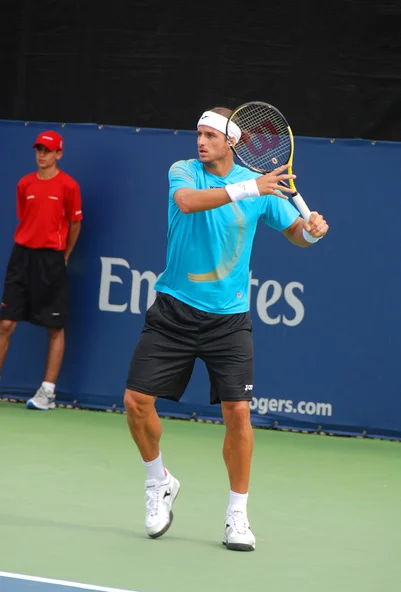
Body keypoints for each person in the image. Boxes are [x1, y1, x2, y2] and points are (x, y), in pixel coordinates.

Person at [123, 107, 329, 551]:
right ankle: (158, 481)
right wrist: (248, 187)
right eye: (198, 134)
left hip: (229, 321)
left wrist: (311, 232)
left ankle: (237, 513)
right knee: (135, 403)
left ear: (231, 141)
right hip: (174, 310)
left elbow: (293, 230)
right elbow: (187, 203)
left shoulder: (261, 189)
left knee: (238, 414)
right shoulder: (184, 172)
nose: (201, 142)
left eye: (211, 135)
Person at [0, 130, 83, 410]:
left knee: (54, 326)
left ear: (58, 154)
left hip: (51, 260)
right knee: (5, 323)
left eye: (47, 151)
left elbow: (74, 224)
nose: (41, 155)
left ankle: (47, 392)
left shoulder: (69, 186)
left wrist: (64, 256)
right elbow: (25, 218)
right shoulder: (25, 184)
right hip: (21, 257)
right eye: (38, 150)